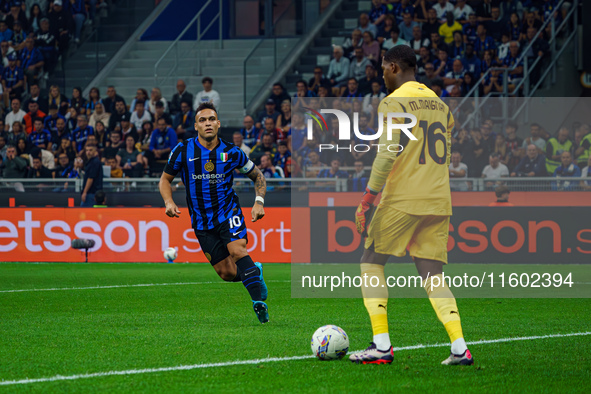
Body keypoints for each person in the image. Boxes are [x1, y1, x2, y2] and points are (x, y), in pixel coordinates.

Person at [351, 45, 472, 366]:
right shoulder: (441, 105)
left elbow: (387, 153)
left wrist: (367, 199)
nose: (380, 74)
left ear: (393, 67)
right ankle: (459, 348)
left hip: (404, 197)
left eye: (382, 67)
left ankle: (381, 345)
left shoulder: (393, 102)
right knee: (432, 274)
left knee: (371, 261)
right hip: (439, 198)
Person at [158, 102, 269, 323]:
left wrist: (259, 202)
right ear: (196, 126)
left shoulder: (232, 152)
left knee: (238, 251)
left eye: (211, 119)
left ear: (218, 123)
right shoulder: (182, 150)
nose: (207, 123)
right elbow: (165, 180)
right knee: (226, 273)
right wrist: (168, 201)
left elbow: (258, 176)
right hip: (201, 222)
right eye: (202, 120)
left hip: (229, 213)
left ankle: (259, 303)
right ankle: (254, 271)